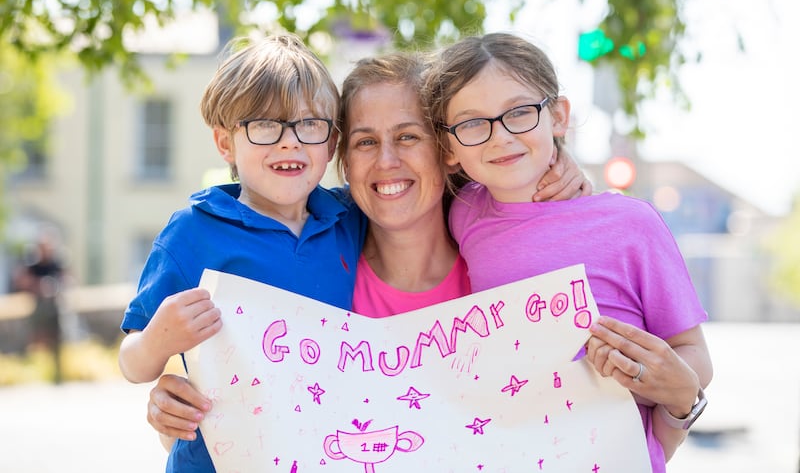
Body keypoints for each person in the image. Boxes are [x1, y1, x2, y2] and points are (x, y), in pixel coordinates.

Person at [143, 51, 592, 456]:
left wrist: (561, 161)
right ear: (341, 155)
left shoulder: (494, 245)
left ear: (447, 149)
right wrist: (174, 406)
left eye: (409, 136)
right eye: (365, 141)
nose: (387, 161)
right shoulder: (326, 237)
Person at [424, 32, 713, 473]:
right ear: (448, 146)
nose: (499, 137)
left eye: (520, 112)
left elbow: (694, 360)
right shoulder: (463, 213)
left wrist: (653, 377)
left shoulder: (631, 225)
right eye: (472, 123)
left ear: (557, 116)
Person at [118, 33, 368, 472]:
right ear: (225, 143)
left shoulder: (350, 219)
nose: (290, 142)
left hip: (324, 455)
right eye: (265, 125)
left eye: (310, 124)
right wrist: (157, 342)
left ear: (332, 143)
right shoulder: (194, 232)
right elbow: (132, 361)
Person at [12, 227, 67, 383]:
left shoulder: (56, 263)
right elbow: (21, 280)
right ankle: (25, 372)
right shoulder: (32, 264)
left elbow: (67, 279)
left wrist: (53, 287)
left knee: (57, 339)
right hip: (36, 307)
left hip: (54, 307)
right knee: (29, 339)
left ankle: (57, 374)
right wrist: (39, 286)